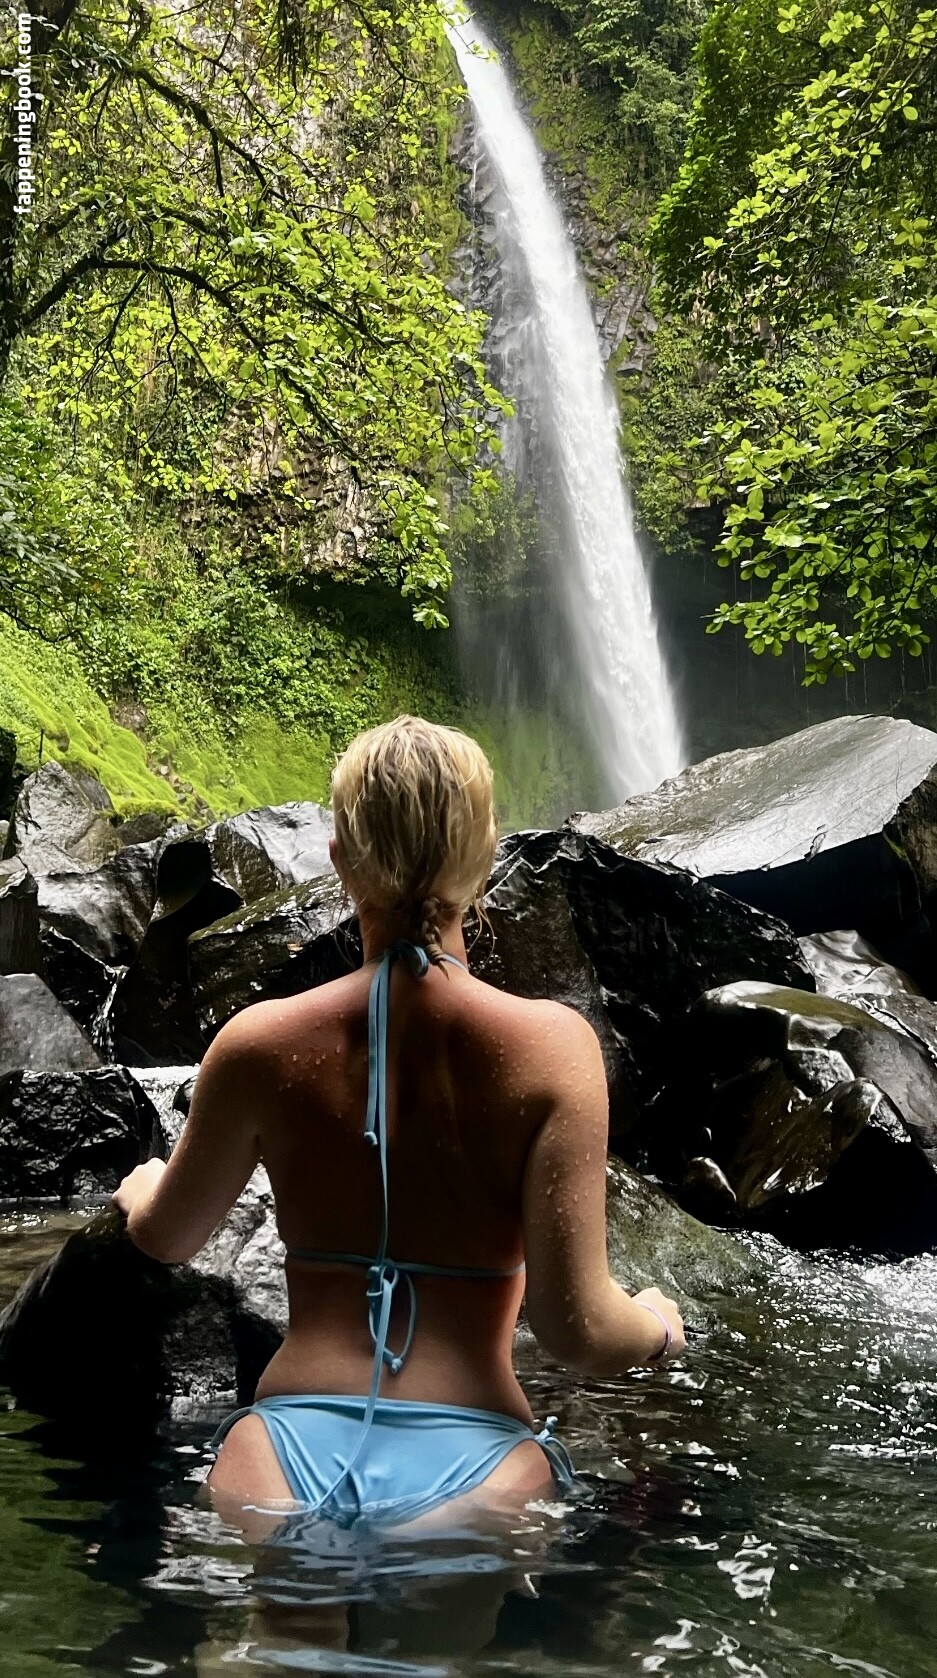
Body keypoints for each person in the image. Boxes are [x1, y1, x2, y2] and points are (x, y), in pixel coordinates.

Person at [114, 715, 685, 1527]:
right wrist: (658, 1326)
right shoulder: (553, 1050)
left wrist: (143, 1187)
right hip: (480, 1460)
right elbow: (579, 1332)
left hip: (280, 1448)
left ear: (340, 859)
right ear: (485, 857)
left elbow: (167, 1237)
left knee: (292, 1607)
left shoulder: (258, 1044)